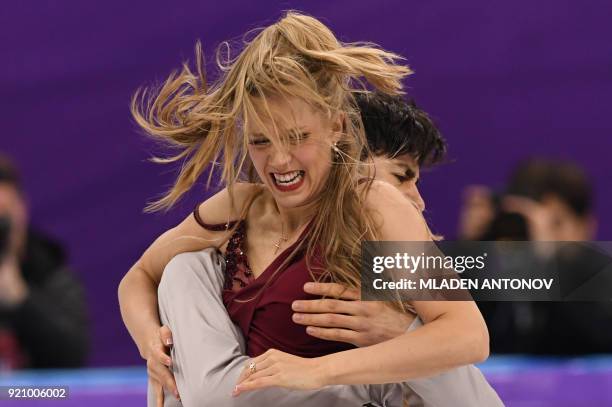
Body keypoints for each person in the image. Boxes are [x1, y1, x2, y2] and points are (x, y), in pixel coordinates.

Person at [118, 12, 492, 406]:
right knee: (180, 272)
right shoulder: (236, 207)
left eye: (298, 138)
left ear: (337, 128)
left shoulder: (372, 205)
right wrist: (149, 343)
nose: (279, 160)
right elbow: (139, 275)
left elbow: (468, 336)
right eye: (261, 142)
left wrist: (319, 371)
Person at [459, 158, 612, 354]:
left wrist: (547, 263)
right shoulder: (499, 273)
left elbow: (598, 339)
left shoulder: (601, 272)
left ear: (586, 226)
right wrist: (470, 250)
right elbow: (461, 337)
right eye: (531, 223)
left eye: (555, 222)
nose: (540, 233)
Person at [0, 155, 88, 369]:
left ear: (22, 211)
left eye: (4, 217)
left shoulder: (52, 275)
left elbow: (73, 360)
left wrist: (21, 299)